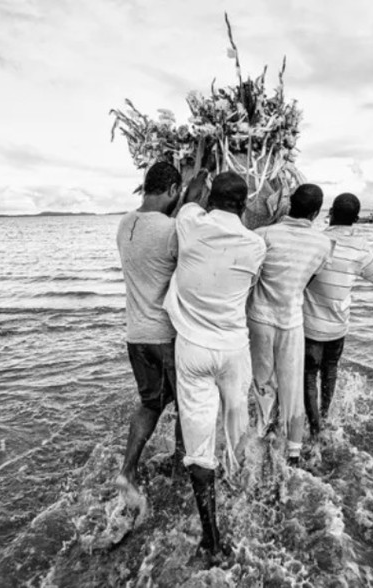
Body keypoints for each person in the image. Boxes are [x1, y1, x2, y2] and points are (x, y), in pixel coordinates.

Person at [164, 171, 266, 561]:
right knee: (237, 422)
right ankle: (243, 488)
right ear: (244, 204)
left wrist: (199, 182)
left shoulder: (190, 222)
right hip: (234, 350)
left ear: (211, 200)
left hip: (193, 350)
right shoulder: (256, 245)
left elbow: (189, 197)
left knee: (199, 445)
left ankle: (211, 537)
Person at [302, 192, 373, 437]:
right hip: (338, 326)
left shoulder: (316, 241)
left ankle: (314, 428)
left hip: (310, 325)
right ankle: (325, 417)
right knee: (330, 370)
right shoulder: (361, 248)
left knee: (309, 374)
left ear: (330, 213)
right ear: (356, 219)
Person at [113, 161, 185, 508]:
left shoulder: (124, 223)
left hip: (136, 335)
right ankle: (181, 467)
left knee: (150, 403)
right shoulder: (172, 230)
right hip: (165, 336)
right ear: (172, 190)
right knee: (186, 403)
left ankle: (127, 471)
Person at [248, 184, 333, 466]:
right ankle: (294, 453)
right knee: (293, 385)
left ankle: (262, 438)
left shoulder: (263, 235)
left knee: (263, 382)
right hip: (292, 321)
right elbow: (308, 279)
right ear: (316, 213)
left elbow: (252, 276)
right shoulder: (323, 244)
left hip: (259, 319)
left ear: (288, 204)